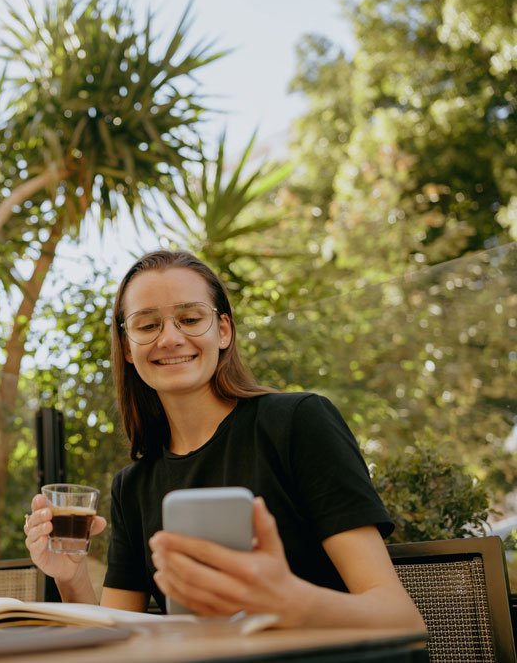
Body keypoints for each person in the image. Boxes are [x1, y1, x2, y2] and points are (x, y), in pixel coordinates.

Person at [23, 250, 424, 630]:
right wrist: (71, 574)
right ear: (128, 347)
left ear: (224, 331)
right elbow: (116, 640)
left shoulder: (298, 423)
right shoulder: (132, 487)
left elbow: (400, 617)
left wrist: (289, 600)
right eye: (147, 325)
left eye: (191, 318)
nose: (170, 338)